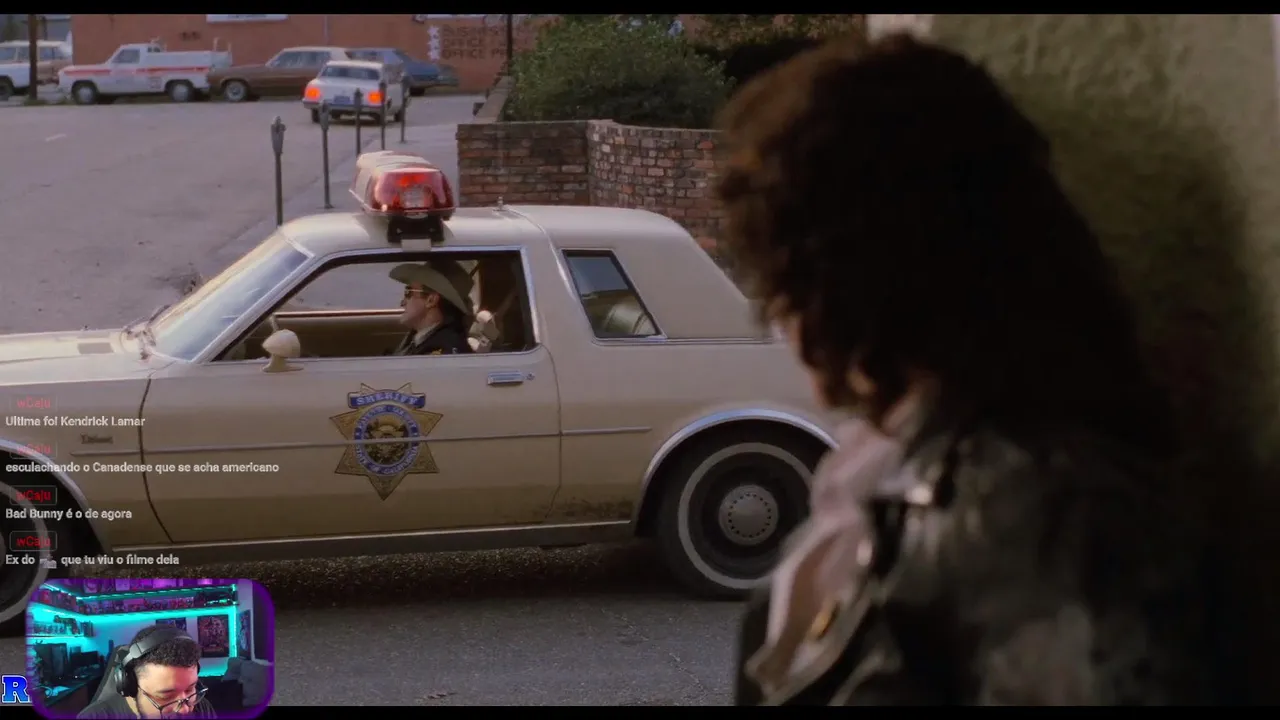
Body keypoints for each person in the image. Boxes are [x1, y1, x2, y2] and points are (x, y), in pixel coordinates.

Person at [717, 34, 1210, 705]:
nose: (777, 312)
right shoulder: (900, 476)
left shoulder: (1046, 515)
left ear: (845, 278)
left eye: (781, 276)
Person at [78, 624, 215, 718]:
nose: (185, 709)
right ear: (131, 687)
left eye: (190, 689)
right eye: (166, 697)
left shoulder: (202, 708)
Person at [388, 259, 474, 355]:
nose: (402, 302)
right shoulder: (421, 337)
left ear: (431, 300)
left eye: (408, 293)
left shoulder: (443, 352)